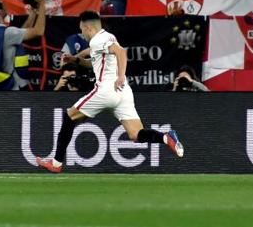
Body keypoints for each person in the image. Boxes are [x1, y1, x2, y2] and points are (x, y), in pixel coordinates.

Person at [36, 11, 184, 173]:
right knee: (136, 134)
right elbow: (92, 60)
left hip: (107, 89)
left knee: (69, 116)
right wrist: (75, 59)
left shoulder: (99, 40)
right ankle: (165, 137)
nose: (82, 34)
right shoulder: (104, 38)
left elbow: (121, 52)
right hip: (123, 93)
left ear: (88, 27)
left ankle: (56, 163)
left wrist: (120, 76)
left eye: (82, 29)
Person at [0, 0, 45, 90]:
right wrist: (42, 4)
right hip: (15, 87)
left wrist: (32, 15)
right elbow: (39, 31)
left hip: (2, 86)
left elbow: (18, 34)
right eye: (3, 4)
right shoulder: (8, 32)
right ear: (0, 12)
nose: (5, 6)